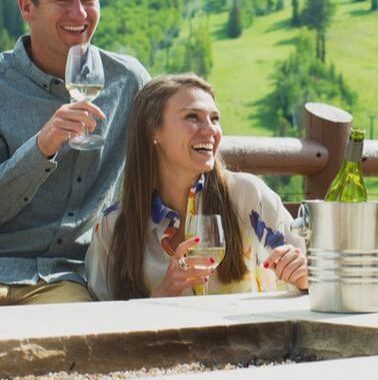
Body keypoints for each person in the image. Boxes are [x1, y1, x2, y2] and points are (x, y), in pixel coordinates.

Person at [0, 0, 149, 306]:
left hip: (66, 280)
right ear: (26, 7)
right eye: (63, 1)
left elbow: (179, 151)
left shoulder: (127, 81)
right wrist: (41, 147)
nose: (79, 14)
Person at [86, 74, 307, 299]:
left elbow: (316, 276)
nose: (210, 130)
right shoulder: (113, 229)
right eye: (192, 117)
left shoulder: (248, 196)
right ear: (153, 131)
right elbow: (100, 324)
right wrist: (163, 294)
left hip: (253, 335)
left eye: (214, 119)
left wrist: (304, 275)